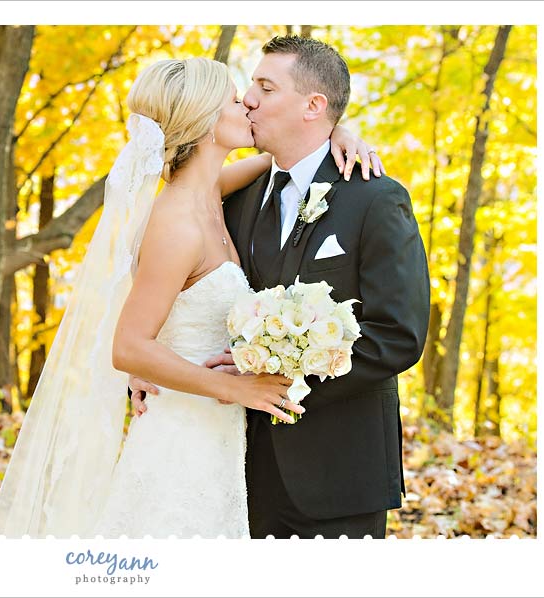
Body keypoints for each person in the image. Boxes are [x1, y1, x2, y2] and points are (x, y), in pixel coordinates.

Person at [0, 56, 380, 539]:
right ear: (205, 120)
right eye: (235, 100)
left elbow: (292, 157)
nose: (248, 104)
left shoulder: (210, 191)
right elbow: (128, 347)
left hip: (218, 438)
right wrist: (234, 389)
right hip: (181, 438)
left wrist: (337, 134)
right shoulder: (176, 223)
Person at [133, 37, 430, 539]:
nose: (248, 99)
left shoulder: (375, 198)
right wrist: (153, 361)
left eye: (265, 87)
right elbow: (167, 286)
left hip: (339, 473)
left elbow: (398, 335)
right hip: (237, 467)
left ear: (313, 106)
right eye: (249, 87)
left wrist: (281, 378)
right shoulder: (230, 195)